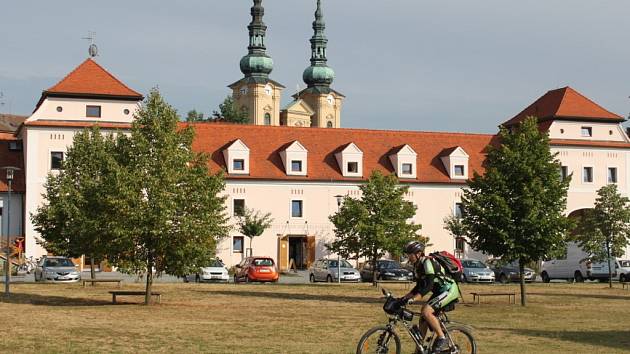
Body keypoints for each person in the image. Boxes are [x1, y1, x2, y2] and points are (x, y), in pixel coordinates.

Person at [399, 241, 460, 353]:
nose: (408, 256)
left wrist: (413, 299)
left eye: (410, 254)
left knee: (426, 311)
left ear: (418, 254)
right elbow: (418, 287)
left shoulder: (427, 262)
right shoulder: (417, 266)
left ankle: (442, 338)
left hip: (449, 290)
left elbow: (429, 285)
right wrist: (403, 298)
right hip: (439, 292)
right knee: (423, 319)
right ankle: (419, 350)